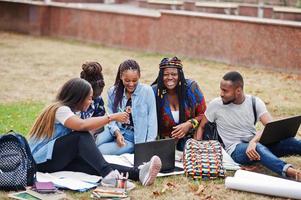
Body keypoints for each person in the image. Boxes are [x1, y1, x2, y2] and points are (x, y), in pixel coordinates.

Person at [28, 78, 162, 187]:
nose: (91, 101)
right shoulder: (60, 110)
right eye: (89, 98)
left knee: (95, 163)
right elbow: (82, 127)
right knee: (82, 136)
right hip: (40, 161)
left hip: (53, 159)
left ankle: (138, 173)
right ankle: (109, 176)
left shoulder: (70, 112)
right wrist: (111, 117)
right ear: (78, 98)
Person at [195, 71, 301, 181]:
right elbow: (202, 127)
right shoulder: (216, 105)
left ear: (238, 91)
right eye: (221, 89)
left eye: (225, 91)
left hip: (255, 145)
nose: (221, 93)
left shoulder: (254, 102)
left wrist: (253, 141)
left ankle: (266, 154)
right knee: (259, 148)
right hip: (236, 150)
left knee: (291, 141)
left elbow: (271, 127)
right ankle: (291, 172)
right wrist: (198, 149)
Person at [95, 59, 157, 155]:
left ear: (139, 76)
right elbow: (110, 116)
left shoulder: (147, 91)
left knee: (100, 151)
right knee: (94, 144)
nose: (131, 84)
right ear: (121, 77)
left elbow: (152, 121)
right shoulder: (113, 91)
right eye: (127, 80)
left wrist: (146, 148)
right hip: (114, 130)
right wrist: (117, 133)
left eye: (135, 80)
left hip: (132, 138)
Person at [152, 57, 206, 151]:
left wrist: (189, 124)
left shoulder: (191, 88)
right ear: (161, 76)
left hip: (191, 141)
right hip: (164, 144)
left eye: (174, 74)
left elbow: (204, 115)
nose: (170, 78)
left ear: (180, 75)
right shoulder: (155, 92)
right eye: (165, 74)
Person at [80, 61, 106, 135]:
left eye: (94, 97)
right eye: (90, 98)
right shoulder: (75, 101)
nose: (92, 102)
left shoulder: (98, 100)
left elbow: (100, 119)